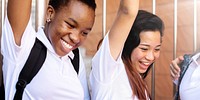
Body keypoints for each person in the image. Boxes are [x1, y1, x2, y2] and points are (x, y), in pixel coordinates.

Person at [1, 0, 96, 99]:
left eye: (84, 33)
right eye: (70, 25)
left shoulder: (75, 59)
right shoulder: (23, 48)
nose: (76, 38)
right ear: (50, 13)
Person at [89, 0, 165, 99]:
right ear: (128, 44)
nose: (150, 57)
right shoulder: (109, 70)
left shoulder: (138, 79)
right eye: (144, 48)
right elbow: (127, 11)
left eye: (157, 49)